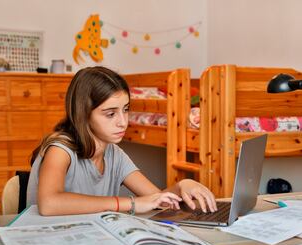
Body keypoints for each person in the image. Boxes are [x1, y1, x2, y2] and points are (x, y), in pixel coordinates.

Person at [27, 66, 217, 216]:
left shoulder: (114, 154)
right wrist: (131, 204)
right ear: (83, 114)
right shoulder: (60, 150)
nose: (123, 122)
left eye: (125, 109)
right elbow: (49, 204)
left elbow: (155, 199)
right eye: (111, 114)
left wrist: (181, 187)